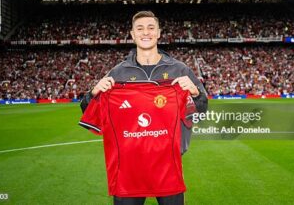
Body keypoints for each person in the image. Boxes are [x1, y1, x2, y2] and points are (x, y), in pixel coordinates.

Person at [80, 11, 208, 205]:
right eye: (140, 28)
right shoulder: (117, 72)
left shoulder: (179, 70)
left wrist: (196, 94)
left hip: (168, 165)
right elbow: (90, 112)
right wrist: (93, 93)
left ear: (158, 33)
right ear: (132, 34)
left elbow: (200, 111)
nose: (145, 32)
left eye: (150, 28)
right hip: (128, 169)